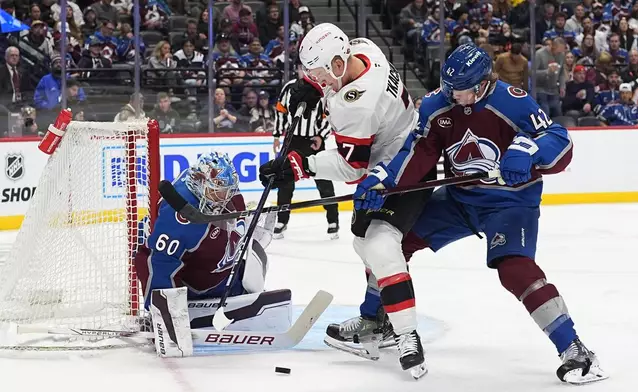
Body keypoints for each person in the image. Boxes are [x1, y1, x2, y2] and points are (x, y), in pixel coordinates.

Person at [354, 43, 607, 385]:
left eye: (460, 91)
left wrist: (528, 150)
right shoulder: (436, 106)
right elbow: (417, 154)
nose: (452, 97)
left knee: (515, 270)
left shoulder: (512, 101)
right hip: (460, 201)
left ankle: (575, 349)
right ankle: (375, 320)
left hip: (510, 202)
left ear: (483, 83)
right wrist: (383, 181)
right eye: (448, 89)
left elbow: (558, 140)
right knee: (388, 242)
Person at [258, 23, 428, 379]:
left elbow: (351, 169)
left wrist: (299, 165)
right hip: (403, 151)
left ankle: (406, 334)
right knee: (364, 243)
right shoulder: (364, 47)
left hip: (403, 167)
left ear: (339, 62)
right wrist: (312, 89)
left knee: (380, 246)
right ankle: (375, 319)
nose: (321, 80)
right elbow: (337, 81)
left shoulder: (356, 106)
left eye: (322, 75)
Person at [134, 152, 290, 332]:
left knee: (248, 273)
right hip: (189, 282)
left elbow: (234, 229)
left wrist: (251, 230)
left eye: (228, 188)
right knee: (163, 265)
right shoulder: (179, 216)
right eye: (220, 189)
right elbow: (160, 263)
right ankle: (162, 314)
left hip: (216, 275)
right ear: (200, 183)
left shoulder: (225, 194)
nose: (226, 194)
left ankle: (237, 294)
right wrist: (164, 313)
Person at [272, 67, 339, 239]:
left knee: (323, 179)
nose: (307, 71)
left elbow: (327, 116)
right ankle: (282, 220)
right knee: (285, 180)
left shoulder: (323, 89)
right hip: (292, 140)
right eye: (303, 68)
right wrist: (277, 135)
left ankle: (333, 220)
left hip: (313, 141)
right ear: (298, 69)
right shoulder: (289, 87)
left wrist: (321, 136)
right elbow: (281, 111)